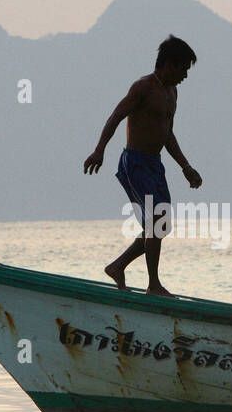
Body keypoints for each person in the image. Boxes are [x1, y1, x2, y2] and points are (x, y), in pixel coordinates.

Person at [82, 35, 202, 296]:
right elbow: (115, 117)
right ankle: (154, 285)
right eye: (183, 69)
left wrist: (186, 167)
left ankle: (118, 266)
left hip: (155, 164)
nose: (185, 76)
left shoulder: (172, 93)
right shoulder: (143, 88)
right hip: (134, 163)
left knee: (162, 224)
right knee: (156, 220)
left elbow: (167, 133)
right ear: (169, 65)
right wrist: (99, 150)